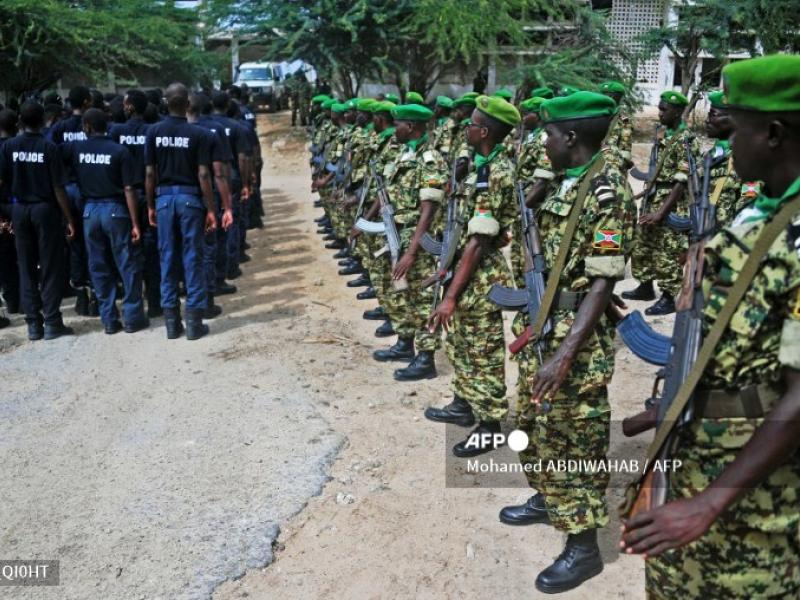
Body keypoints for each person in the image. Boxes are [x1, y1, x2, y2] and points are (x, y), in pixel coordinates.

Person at [620, 53, 800, 600]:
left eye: (734, 126)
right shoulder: (758, 212)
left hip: (753, 501)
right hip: (695, 458)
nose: (724, 142)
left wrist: (710, 502)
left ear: (771, 133)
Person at [499, 92, 635, 593]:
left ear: (571, 137)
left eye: (549, 134)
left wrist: (563, 355)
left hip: (573, 344)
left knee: (574, 441)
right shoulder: (559, 182)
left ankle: (583, 547)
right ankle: (548, 497)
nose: (543, 140)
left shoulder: (606, 192)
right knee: (532, 426)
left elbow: (602, 282)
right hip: (540, 328)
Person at [425, 96, 520, 453]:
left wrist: (450, 296)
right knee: (460, 344)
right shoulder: (479, 165)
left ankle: (492, 423)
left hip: (480, 277)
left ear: (484, 131)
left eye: (471, 123)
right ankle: (464, 403)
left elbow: (479, 242)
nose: (465, 128)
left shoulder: (495, 173)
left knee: (482, 351)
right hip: (464, 270)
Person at [370, 103, 447, 382]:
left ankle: (426, 358)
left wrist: (412, 252)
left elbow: (428, 210)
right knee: (400, 292)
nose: (395, 129)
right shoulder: (405, 154)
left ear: (411, 127)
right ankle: (405, 343)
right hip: (397, 232)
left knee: (423, 298)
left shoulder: (429, 159)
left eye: (399, 124)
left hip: (417, 238)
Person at [62, 108, 148, 334]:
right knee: (126, 264)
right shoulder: (120, 151)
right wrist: (135, 222)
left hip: (89, 212)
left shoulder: (75, 148)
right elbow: (129, 189)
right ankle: (132, 317)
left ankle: (109, 320)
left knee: (98, 266)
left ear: (87, 127)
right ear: (106, 126)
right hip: (116, 210)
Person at [144, 82, 219, 340]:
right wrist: (211, 208)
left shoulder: (153, 132)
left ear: (165, 102)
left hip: (164, 200)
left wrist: (151, 205)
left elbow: (150, 173)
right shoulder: (199, 134)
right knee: (192, 259)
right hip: (190, 201)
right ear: (187, 104)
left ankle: (172, 325)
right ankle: (195, 323)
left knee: (167, 260)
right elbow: (203, 174)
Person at [0, 101, 76, 340]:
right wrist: (69, 218)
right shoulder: (49, 147)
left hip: (19, 210)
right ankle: (52, 321)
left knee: (26, 266)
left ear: (20, 121)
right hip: (45, 210)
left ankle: (33, 324)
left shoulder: (8, 147)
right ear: (43, 120)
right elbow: (58, 188)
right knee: (50, 267)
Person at [622, 90, 700, 316]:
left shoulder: (687, 140)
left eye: (664, 110)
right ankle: (646, 286)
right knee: (644, 243)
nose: (659, 113)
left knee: (669, 249)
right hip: (654, 196)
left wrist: (661, 212)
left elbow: (681, 182)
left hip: (672, 202)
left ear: (677, 112)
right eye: (660, 108)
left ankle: (668, 297)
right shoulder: (662, 133)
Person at [109, 88, 163, 317]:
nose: (122, 105)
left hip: (123, 198)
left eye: (125, 102)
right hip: (148, 195)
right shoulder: (154, 131)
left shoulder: (115, 132)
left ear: (130, 107)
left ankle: (132, 304)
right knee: (152, 250)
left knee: (128, 251)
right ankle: (155, 302)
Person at [186, 92, 235, 320]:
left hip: (170, 201)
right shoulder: (209, 133)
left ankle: (179, 310)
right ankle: (204, 303)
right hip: (201, 199)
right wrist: (224, 206)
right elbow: (217, 173)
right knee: (205, 251)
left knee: (178, 253)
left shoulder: (159, 131)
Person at [49, 85, 96, 316]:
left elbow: (51, 155)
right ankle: (96, 292)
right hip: (88, 189)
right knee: (94, 242)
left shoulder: (59, 128)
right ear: (87, 102)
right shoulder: (94, 123)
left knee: (74, 240)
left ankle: (81, 296)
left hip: (66, 191)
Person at [702, 90, 759, 227]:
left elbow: (748, 205)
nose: (707, 120)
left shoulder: (747, 159)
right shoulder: (711, 154)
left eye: (713, 115)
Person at [0, 109, 20, 317]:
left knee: (5, 257)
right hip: (19, 207)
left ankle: (12, 301)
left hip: (6, 207)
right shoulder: (19, 147)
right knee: (23, 254)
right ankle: (22, 301)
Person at [598, 80, 633, 171]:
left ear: (616, 97)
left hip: (612, 165)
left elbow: (625, 148)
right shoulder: (594, 114)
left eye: (608, 95)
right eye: (602, 95)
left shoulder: (624, 119)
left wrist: (619, 166)